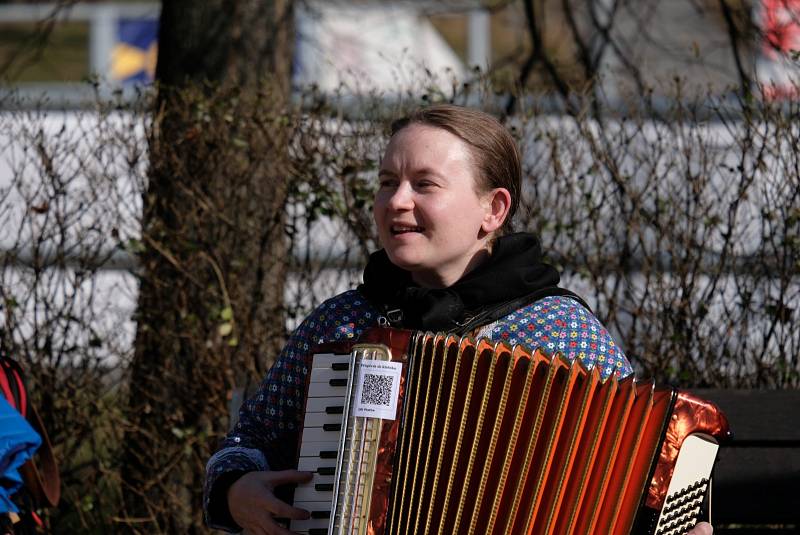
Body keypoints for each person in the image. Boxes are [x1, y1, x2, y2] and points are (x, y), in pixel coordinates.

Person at [203, 105, 712, 535]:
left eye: (425, 184)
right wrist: (235, 492)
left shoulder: (558, 331)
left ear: (493, 209)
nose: (397, 201)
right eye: (387, 183)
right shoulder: (343, 324)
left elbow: (640, 476)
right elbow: (247, 442)